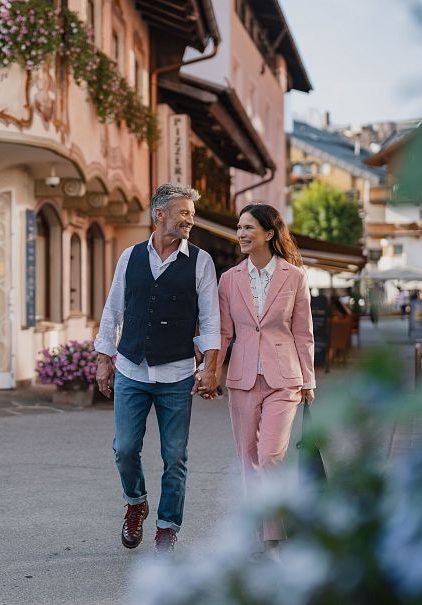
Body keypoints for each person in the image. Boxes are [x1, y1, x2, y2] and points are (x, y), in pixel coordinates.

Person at [95, 182, 220, 554]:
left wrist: (210, 367)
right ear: (159, 214)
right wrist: (104, 358)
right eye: (184, 213)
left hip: (177, 374)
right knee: (125, 448)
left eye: (192, 215)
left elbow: (211, 320)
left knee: (175, 456)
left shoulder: (201, 261)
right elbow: (113, 309)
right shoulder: (129, 257)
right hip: (132, 369)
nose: (190, 221)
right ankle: (136, 502)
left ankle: (167, 526)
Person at [213, 203, 316, 560]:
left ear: (269, 233)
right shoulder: (229, 280)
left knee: (270, 455)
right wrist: (210, 370)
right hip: (242, 378)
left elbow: (303, 332)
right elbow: (224, 333)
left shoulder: (295, 276)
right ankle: (256, 528)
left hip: (284, 378)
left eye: (248, 228)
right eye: (238, 228)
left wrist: (308, 379)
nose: (241, 234)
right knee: (248, 459)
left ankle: (272, 538)